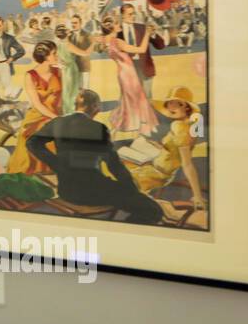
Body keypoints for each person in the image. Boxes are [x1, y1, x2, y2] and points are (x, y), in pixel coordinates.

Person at [25, 89, 166, 225]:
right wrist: (131, 189)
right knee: (153, 210)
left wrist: (57, 164)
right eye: (98, 106)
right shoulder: (98, 128)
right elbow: (114, 164)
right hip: (94, 191)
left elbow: (32, 143)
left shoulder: (58, 122)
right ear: (94, 107)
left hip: (67, 191)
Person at [129, 86, 206, 209]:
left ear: (186, 107)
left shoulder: (179, 127)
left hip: (159, 174)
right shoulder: (186, 124)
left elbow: (187, 164)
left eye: (177, 104)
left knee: (122, 174)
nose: (171, 108)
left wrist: (197, 196)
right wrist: (160, 147)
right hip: (156, 164)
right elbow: (174, 149)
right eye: (169, 104)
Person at [5, 40, 62, 175]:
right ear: (45, 56)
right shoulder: (30, 76)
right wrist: (56, 118)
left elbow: (63, 98)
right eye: (54, 54)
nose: (57, 56)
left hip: (56, 114)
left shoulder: (59, 72)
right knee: (30, 137)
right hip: (38, 116)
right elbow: (37, 104)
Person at [98, 15, 159, 136]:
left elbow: (98, 42)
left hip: (122, 73)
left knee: (130, 99)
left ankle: (137, 124)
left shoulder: (106, 40)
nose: (119, 25)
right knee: (139, 98)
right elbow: (141, 50)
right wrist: (147, 34)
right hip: (128, 73)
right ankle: (143, 126)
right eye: (116, 23)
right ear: (112, 28)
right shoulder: (118, 42)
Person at [117, 2, 166, 99]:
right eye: (130, 14)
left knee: (147, 99)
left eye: (134, 13)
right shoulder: (117, 31)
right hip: (127, 69)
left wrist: (153, 34)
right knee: (126, 100)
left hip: (144, 67)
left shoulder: (142, 28)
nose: (133, 16)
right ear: (122, 15)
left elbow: (161, 45)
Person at [54, 23, 93, 115]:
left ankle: (67, 112)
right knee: (73, 92)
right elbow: (85, 53)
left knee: (67, 92)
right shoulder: (68, 45)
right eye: (67, 30)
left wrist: (60, 63)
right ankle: (71, 112)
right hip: (71, 70)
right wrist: (93, 44)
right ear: (66, 33)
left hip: (64, 71)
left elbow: (57, 59)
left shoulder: (58, 45)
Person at [0, 16, 24, 87]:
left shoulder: (9, 38)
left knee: (8, 87)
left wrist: (12, 58)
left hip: (5, 65)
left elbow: (21, 51)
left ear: (3, 26)